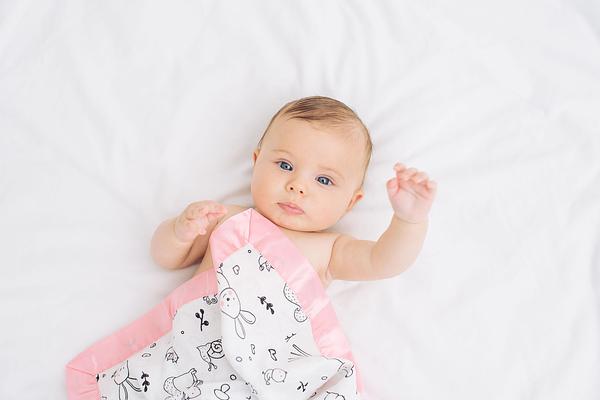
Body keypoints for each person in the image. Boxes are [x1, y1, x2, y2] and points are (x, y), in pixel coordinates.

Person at [150, 95, 437, 289]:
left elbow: (383, 262)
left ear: (351, 202)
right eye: (285, 165)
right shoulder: (225, 219)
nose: (297, 186)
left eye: (324, 180)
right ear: (256, 162)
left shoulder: (330, 250)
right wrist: (179, 233)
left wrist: (408, 221)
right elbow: (166, 258)